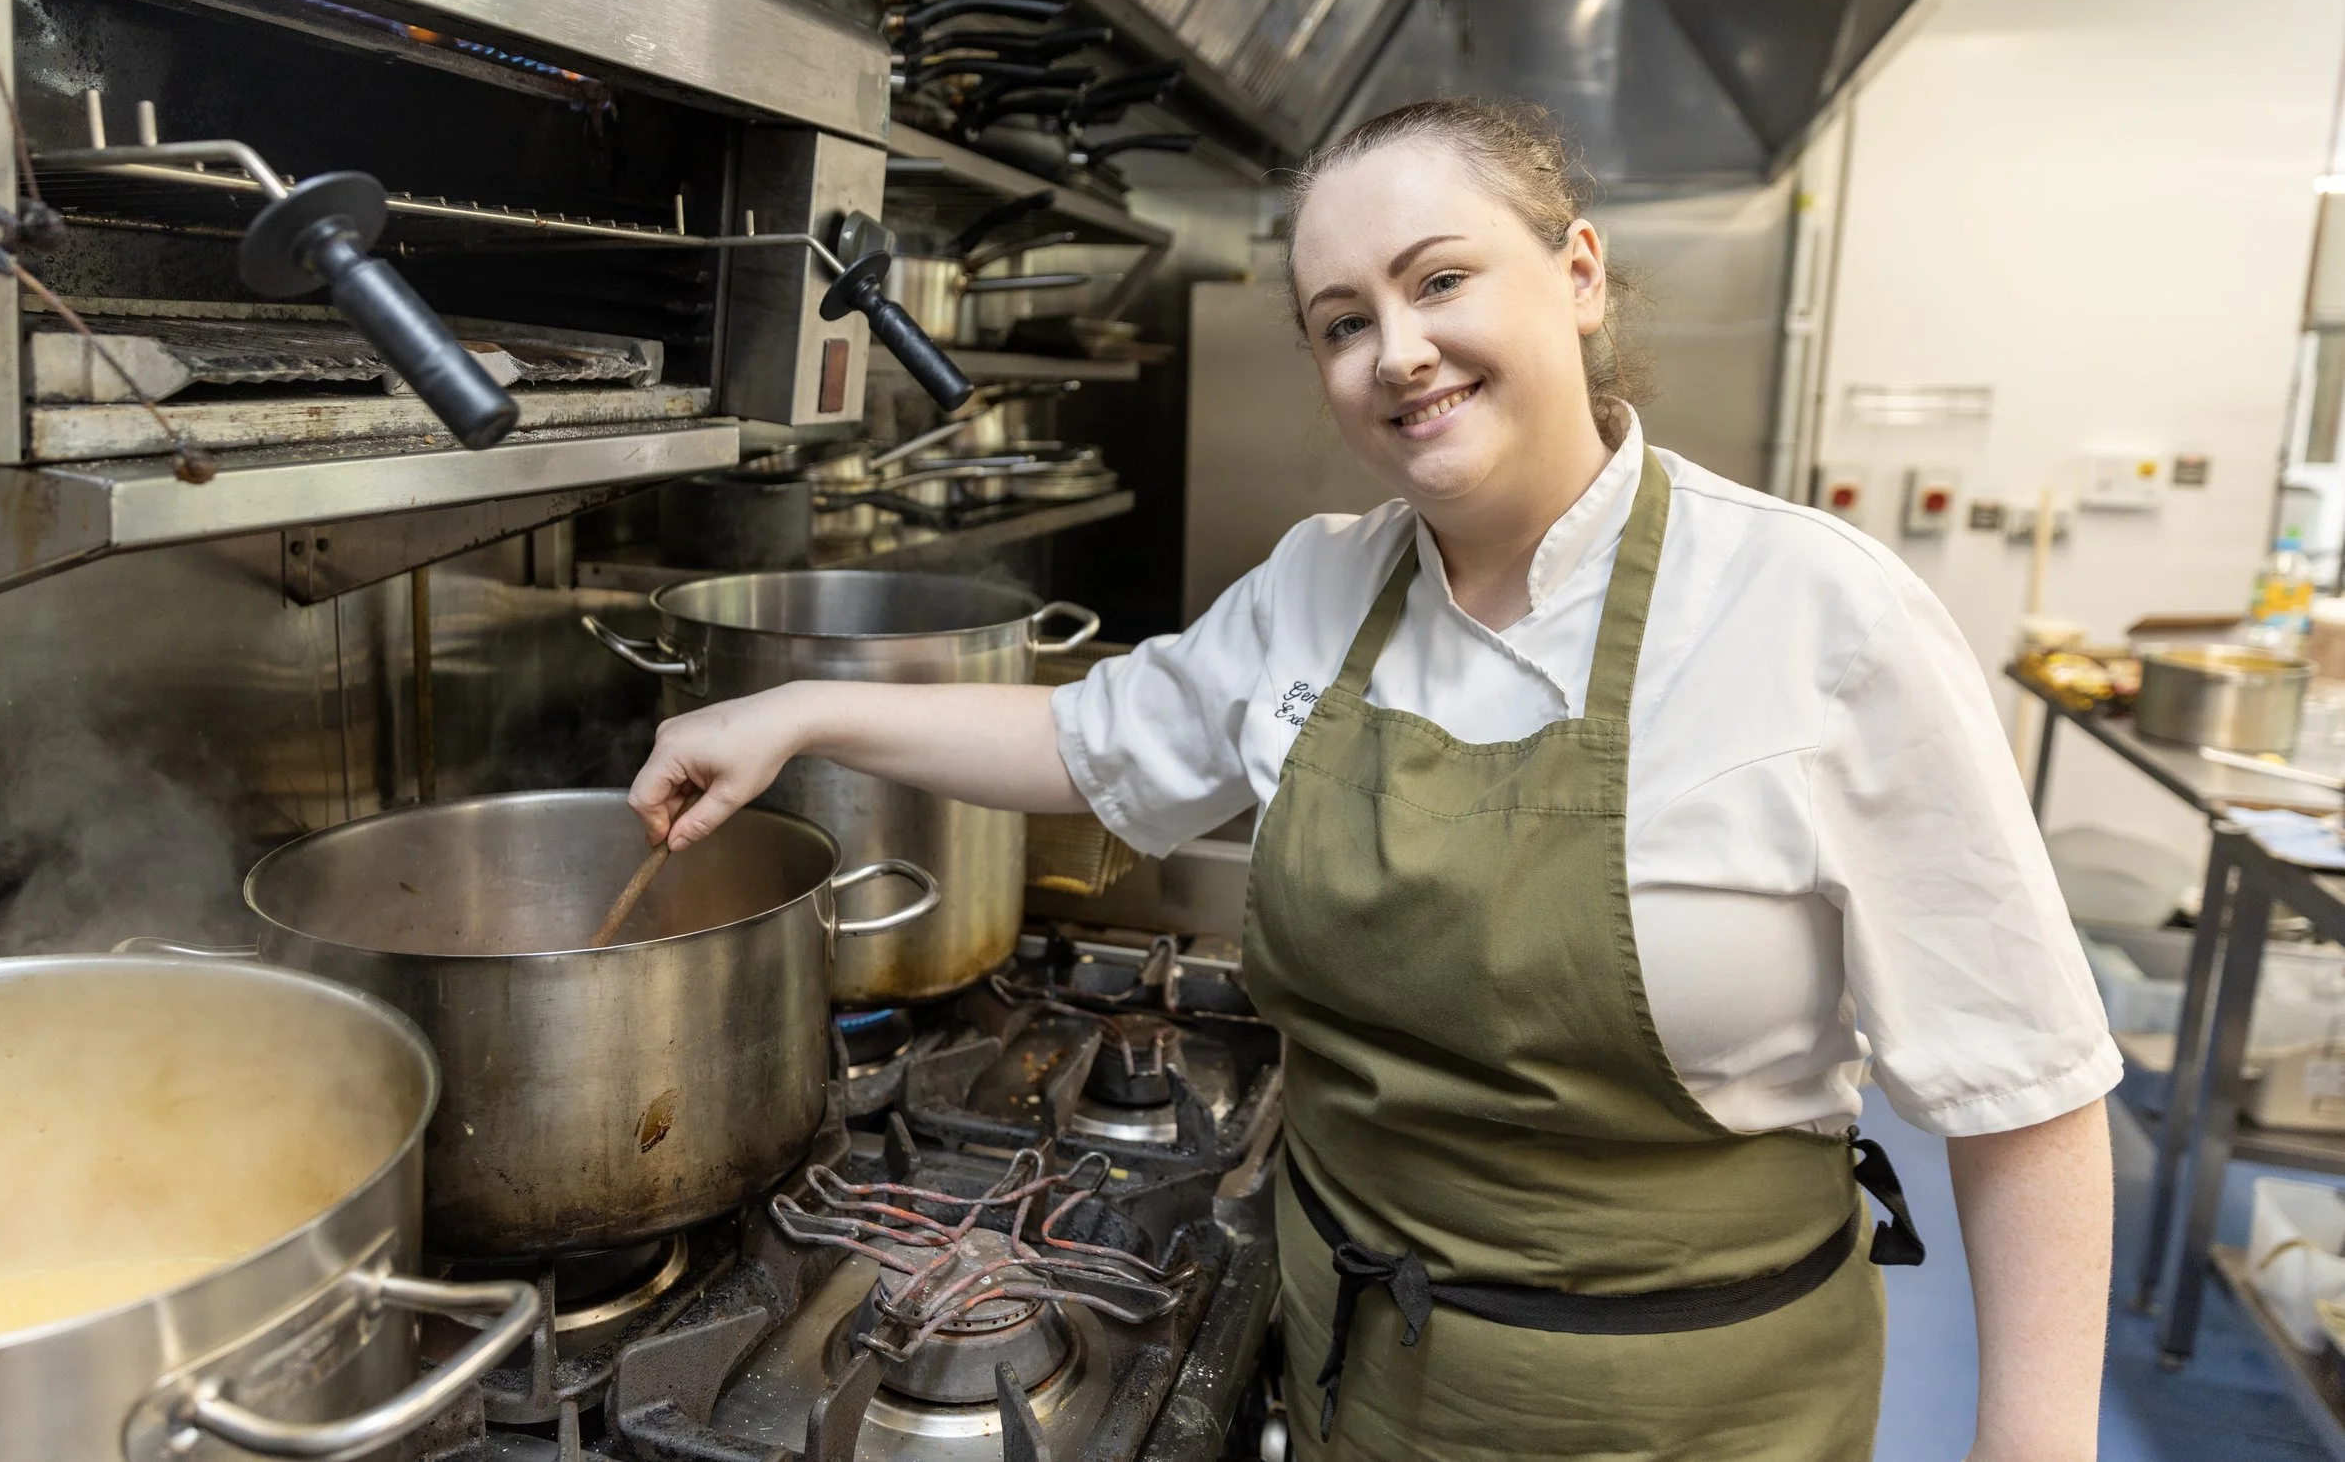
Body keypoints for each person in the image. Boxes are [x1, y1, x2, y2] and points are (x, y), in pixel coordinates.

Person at [627, 97, 2118, 1460]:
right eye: (1342, 321)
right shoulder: (1318, 589)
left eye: (1439, 280)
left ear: (1579, 275)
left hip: (1687, 1405)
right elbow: (1081, 739)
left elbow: (2027, 1093)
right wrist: (798, 711)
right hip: (1359, 1374)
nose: (1395, 350)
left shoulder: (1816, 615)